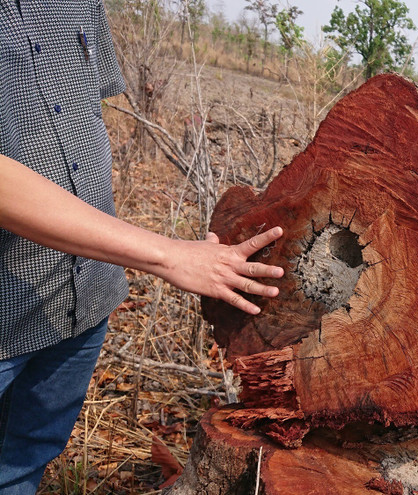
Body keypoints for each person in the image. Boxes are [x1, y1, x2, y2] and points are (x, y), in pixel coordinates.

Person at [0, 1, 284, 492]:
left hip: (83, 303)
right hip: (6, 309)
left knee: (24, 463)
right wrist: (169, 253)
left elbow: (82, 116)